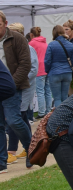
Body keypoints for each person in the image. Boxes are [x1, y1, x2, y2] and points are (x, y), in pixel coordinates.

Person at [0, 10, 34, 171]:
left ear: (5, 24)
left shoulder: (17, 38)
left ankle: (31, 149)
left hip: (13, 87)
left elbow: (25, 64)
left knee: (13, 120)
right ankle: (2, 160)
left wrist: (10, 84)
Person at [5, 23, 37, 161]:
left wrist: (13, 82)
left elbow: (32, 68)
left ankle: (15, 149)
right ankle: (20, 149)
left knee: (15, 119)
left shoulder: (28, 47)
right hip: (12, 86)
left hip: (22, 87)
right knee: (20, 118)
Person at [45, 25, 73, 108]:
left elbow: (47, 61)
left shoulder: (51, 45)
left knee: (57, 98)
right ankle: (66, 115)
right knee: (65, 97)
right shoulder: (70, 44)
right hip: (67, 72)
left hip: (54, 72)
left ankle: (59, 117)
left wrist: (47, 71)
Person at [29, 26, 51, 118]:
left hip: (38, 69)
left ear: (31, 34)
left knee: (40, 91)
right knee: (48, 91)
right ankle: (48, 111)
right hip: (46, 68)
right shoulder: (45, 42)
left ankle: (41, 112)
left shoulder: (31, 43)